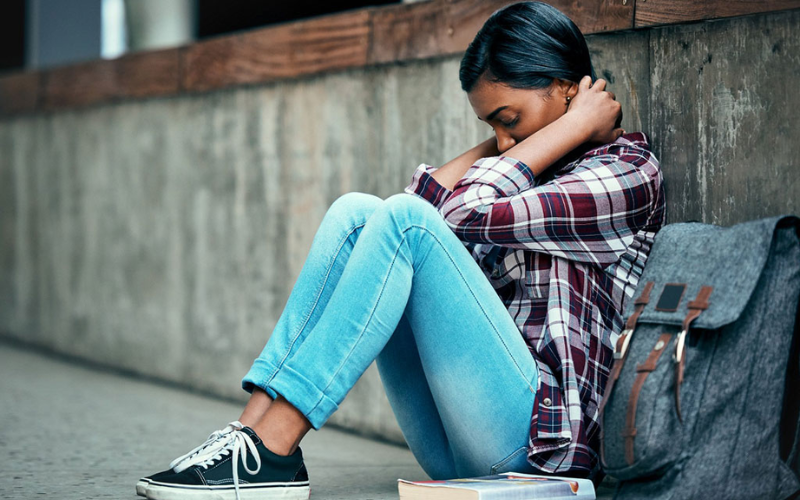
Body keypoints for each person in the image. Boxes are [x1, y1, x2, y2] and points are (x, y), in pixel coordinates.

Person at [136, 2, 666, 499]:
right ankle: (254, 437)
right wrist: (532, 136)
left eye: (509, 120)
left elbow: (451, 215)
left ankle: (269, 452)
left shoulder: (623, 173)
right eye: (491, 128)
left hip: (540, 448)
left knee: (405, 223)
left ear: (564, 89)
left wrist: (572, 130)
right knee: (356, 214)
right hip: (455, 444)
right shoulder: (520, 170)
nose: (504, 143)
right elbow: (409, 208)